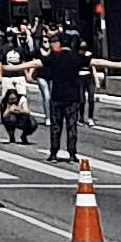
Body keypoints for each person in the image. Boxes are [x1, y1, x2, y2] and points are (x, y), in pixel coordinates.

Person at [42, 26, 89, 168]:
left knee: (56, 126)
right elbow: (97, 62)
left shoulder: (53, 57)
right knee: (71, 125)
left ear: (60, 44)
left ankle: (54, 152)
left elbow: (37, 62)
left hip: (57, 96)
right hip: (73, 97)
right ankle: (72, 153)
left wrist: (9, 68)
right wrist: (120, 65)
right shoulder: (77, 58)